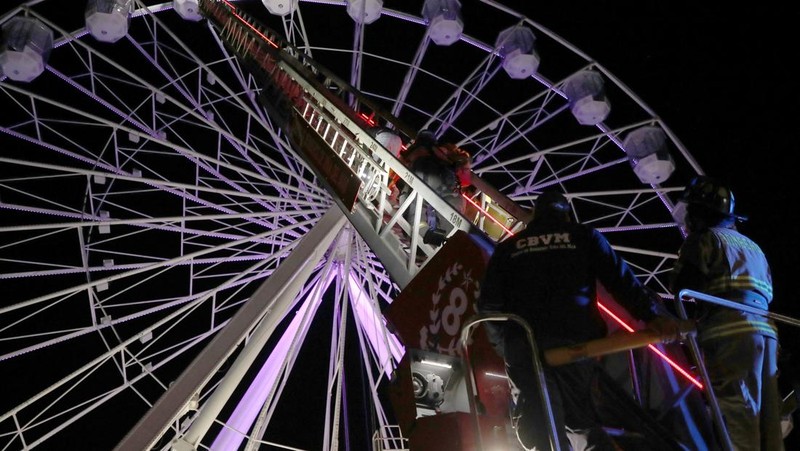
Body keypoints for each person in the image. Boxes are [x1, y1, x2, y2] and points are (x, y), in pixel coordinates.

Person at [477, 189, 681, 451]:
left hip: (526, 346)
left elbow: (489, 305)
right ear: (567, 217)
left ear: (535, 215)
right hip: (576, 345)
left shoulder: (507, 249)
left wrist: (505, 347)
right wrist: (652, 316)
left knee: (539, 428)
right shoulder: (584, 237)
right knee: (580, 423)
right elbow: (621, 281)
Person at [669, 176, 784, 450]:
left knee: (738, 412)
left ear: (700, 212)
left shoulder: (704, 240)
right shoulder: (753, 248)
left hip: (730, 333)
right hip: (766, 334)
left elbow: (684, 286)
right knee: (769, 422)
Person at [395, 130, 471, 246]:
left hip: (424, 231)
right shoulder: (433, 164)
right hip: (425, 234)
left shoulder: (425, 159)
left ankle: (427, 235)